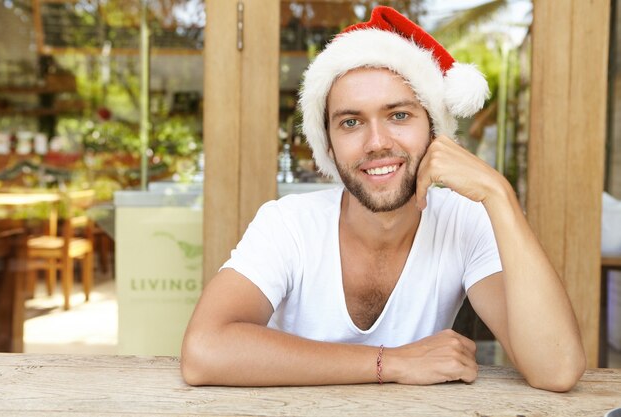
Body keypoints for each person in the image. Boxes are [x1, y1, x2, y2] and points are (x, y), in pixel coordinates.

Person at [181, 6, 585, 391]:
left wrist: (499, 195)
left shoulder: (466, 222)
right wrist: (390, 362)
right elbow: (204, 351)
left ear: (435, 130)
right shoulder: (288, 223)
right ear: (329, 144)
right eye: (351, 122)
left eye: (399, 115)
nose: (377, 143)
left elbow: (557, 368)